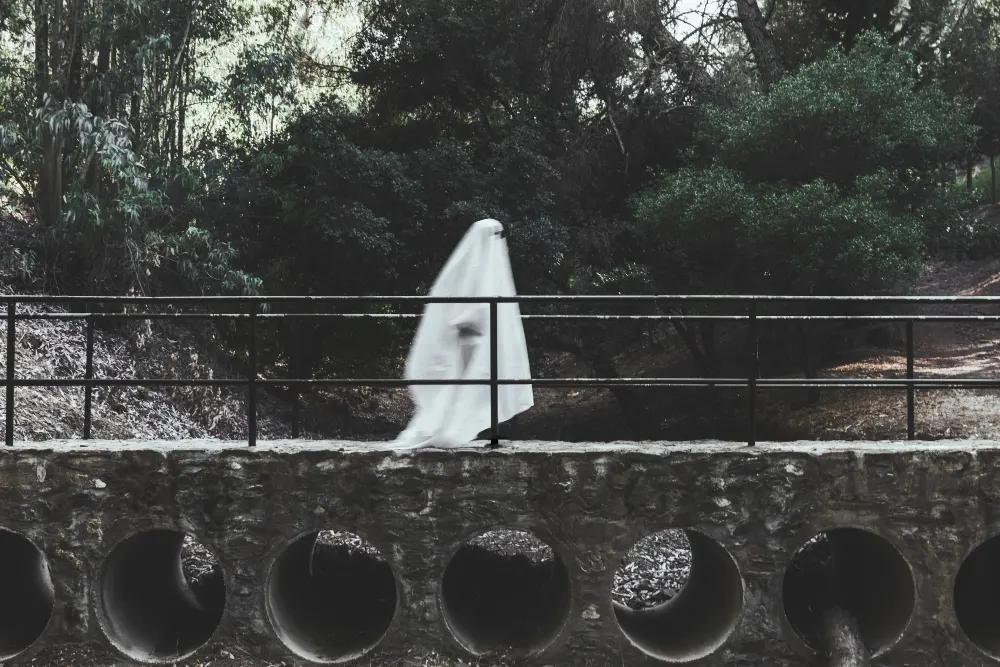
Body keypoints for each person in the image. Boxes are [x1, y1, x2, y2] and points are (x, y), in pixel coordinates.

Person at [394, 219, 534, 449]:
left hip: (481, 339)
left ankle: (489, 432)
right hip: (468, 341)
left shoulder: (490, 266)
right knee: (466, 390)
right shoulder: (472, 264)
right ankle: (470, 431)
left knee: (482, 388)